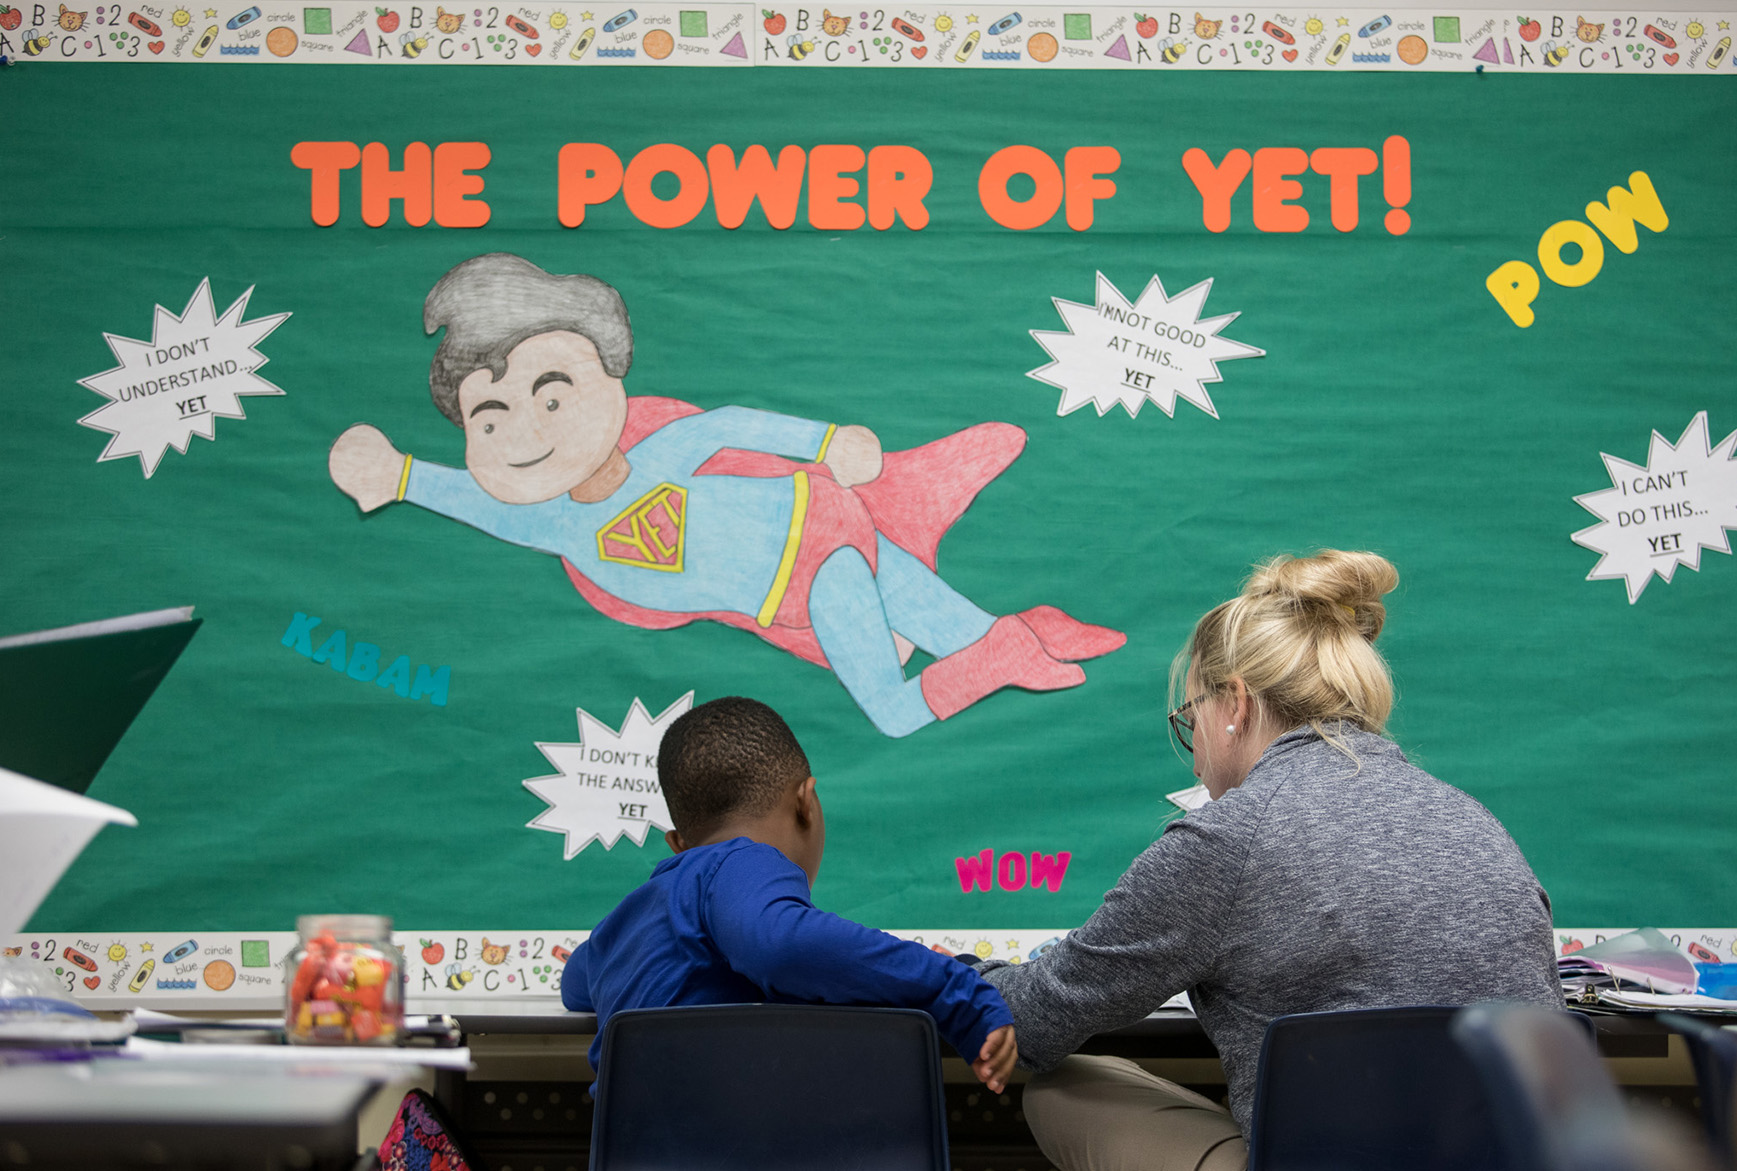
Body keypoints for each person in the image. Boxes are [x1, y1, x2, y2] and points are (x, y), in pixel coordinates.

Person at [326, 253, 1123, 738]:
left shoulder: (657, 454)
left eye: (553, 393)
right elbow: (480, 500)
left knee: (891, 709)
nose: (525, 430)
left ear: (609, 377)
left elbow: (728, 424)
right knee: (958, 629)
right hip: (814, 560)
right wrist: (398, 476)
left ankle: (1009, 653)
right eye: (488, 418)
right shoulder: (560, 528)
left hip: (816, 562)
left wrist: (826, 442)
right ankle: (1026, 634)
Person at [976, 550, 1561, 1171]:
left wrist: (948, 975)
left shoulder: (1227, 840)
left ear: (1236, 704)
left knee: (1063, 1089)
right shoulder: (1475, 821)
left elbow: (1034, 1024)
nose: (1195, 756)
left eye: (1190, 719)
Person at [559, 695, 1019, 1091]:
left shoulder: (633, 918)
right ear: (806, 802)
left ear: (678, 844)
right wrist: (957, 989)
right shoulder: (739, 861)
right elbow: (781, 945)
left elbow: (574, 984)